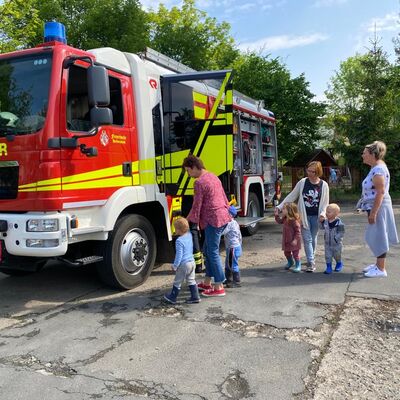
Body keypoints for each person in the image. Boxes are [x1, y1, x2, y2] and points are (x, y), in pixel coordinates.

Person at [183, 155, 231, 297]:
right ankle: (207, 282)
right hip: (222, 217)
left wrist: (189, 220)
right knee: (207, 250)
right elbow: (223, 197)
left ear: (193, 167)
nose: (188, 174)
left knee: (212, 252)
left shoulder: (199, 182)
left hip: (212, 220)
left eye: (187, 170)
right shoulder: (213, 176)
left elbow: (197, 206)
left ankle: (219, 286)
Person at [275, 161, 329, 272]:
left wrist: (323, 214)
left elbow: (325, 203)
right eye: (308, 170)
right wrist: (280, 207)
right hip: (303, 216)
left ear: (318, 172)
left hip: (316, 217)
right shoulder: (303, 182)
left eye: (312, 171)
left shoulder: (324, 185)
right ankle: (311, 263)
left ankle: (311, 257)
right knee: (307, 239)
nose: (309, 173)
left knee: (313, 238)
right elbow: (292, 195)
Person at [358, 141, 398, 278]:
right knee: (376, 234)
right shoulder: (376, 167)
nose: (362, 155)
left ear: (372, 154)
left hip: (378, 207)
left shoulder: (379, 169)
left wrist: (373, 213)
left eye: (364, 152)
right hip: (375, 206)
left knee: (379, 235)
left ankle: (381, 269)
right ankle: (378, 265)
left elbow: (380, 192)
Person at [164, 217, 200, 304]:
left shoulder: (179, 241)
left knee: (177, 281)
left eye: (175, 229)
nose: (175, 230)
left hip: (184, 265)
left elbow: (179, 255)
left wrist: (175, 265)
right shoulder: (189, 235)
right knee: (191, 280)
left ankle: (172, 297)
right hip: (192, 262)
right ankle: (195, 297)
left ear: (179, 230)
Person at [274, 202, 302, 273]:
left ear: (289, 210)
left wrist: (295, 240)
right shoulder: (285, 219)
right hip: (287, 240)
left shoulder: (294, 221)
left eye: (284, 209)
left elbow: (298, 232)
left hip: (294, 241)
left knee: (295, 254)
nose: (282, 210)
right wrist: (276, 215)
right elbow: (279, 221)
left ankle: (298, 265)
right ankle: (290, 262)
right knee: (286, 253)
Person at [319, 203, 345, 274]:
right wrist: (320, 222)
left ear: (336, 213)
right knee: (328, 256)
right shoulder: (326, 222)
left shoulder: (339, 223)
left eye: (329, 212)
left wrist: (336, 238)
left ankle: (339, 263)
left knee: (337, 255)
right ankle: (328, 267)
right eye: (326, 212)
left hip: (336, 244)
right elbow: (321, 227)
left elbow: (341, 233)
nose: (327, 213)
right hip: (327, 243)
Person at [223, 205, 242, 287]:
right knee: (228, 263)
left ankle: (236, 281)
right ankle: (228, 279)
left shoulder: (229, 224)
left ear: (230, 215)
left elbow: (223, 232)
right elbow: (239, 235)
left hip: (232, 248)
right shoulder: (235, 223)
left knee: (232, 264)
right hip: (235, 246)